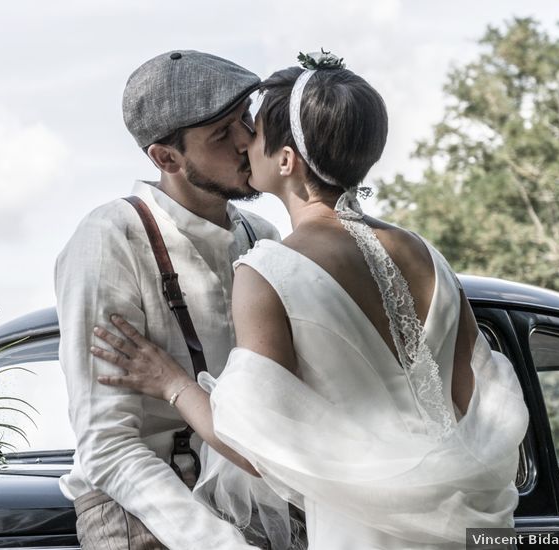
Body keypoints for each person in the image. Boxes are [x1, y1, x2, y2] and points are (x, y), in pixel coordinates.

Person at [91, 51, 530, 549]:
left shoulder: (267, 269)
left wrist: (172, 384)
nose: (243, 144)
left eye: (252, 131)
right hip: (476, 525)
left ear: (285, 160)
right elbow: (488, 404)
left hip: (362, 532)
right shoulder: (426, 255)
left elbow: (253, 444)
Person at [55, 50, 281, 549]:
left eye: (245, 119)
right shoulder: (111, 237)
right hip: (141, 512)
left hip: (255, 504)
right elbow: (108, 445)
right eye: (222, 134)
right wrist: (218, 543)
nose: (248, 140)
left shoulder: (262, 237)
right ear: (166, 158)